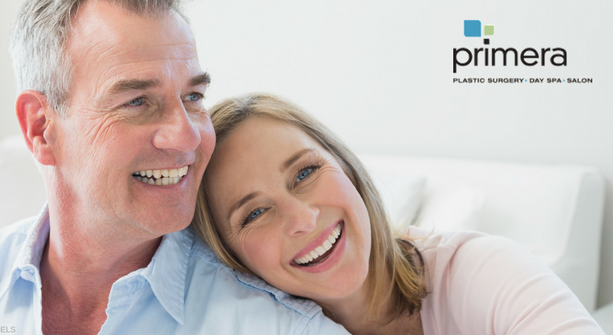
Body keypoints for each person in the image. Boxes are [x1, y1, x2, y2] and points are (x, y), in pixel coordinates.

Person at [0, 1, 349, 334]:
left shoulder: (283, 326)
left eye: (193, 97)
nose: (187, 137)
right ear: (41, 128)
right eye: (137, 102)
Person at [193, 92, 606, 335]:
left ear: (347, 166)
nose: (302, 219)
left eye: (305, 172)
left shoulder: (478, 271)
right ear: (229, 254)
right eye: (256, 213)